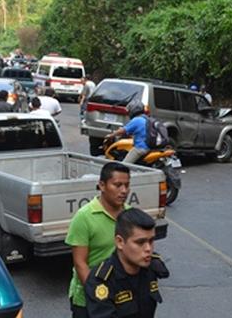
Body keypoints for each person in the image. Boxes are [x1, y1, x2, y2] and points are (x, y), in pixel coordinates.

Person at [66, 162, 131, 317]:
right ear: (102, 185)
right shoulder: (84, 217)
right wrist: (97, 295)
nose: (124, 191)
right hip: (89, 299)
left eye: (127, 185)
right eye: (117, 185)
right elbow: (80, 263)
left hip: (121, 296)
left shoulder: (129, 215)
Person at [84, 208, 169, 318]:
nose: (148, 249)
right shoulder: (101, 281)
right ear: (120, 242)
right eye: (140, 242)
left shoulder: (151, 266)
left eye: (151, 241)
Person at [105, 100, 148, 164]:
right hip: (150, 147)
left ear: (133, 110)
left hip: (141, 148)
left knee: (124, 165)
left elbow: (122, 130)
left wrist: (111, 135)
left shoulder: (136, 120)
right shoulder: (146, 118)